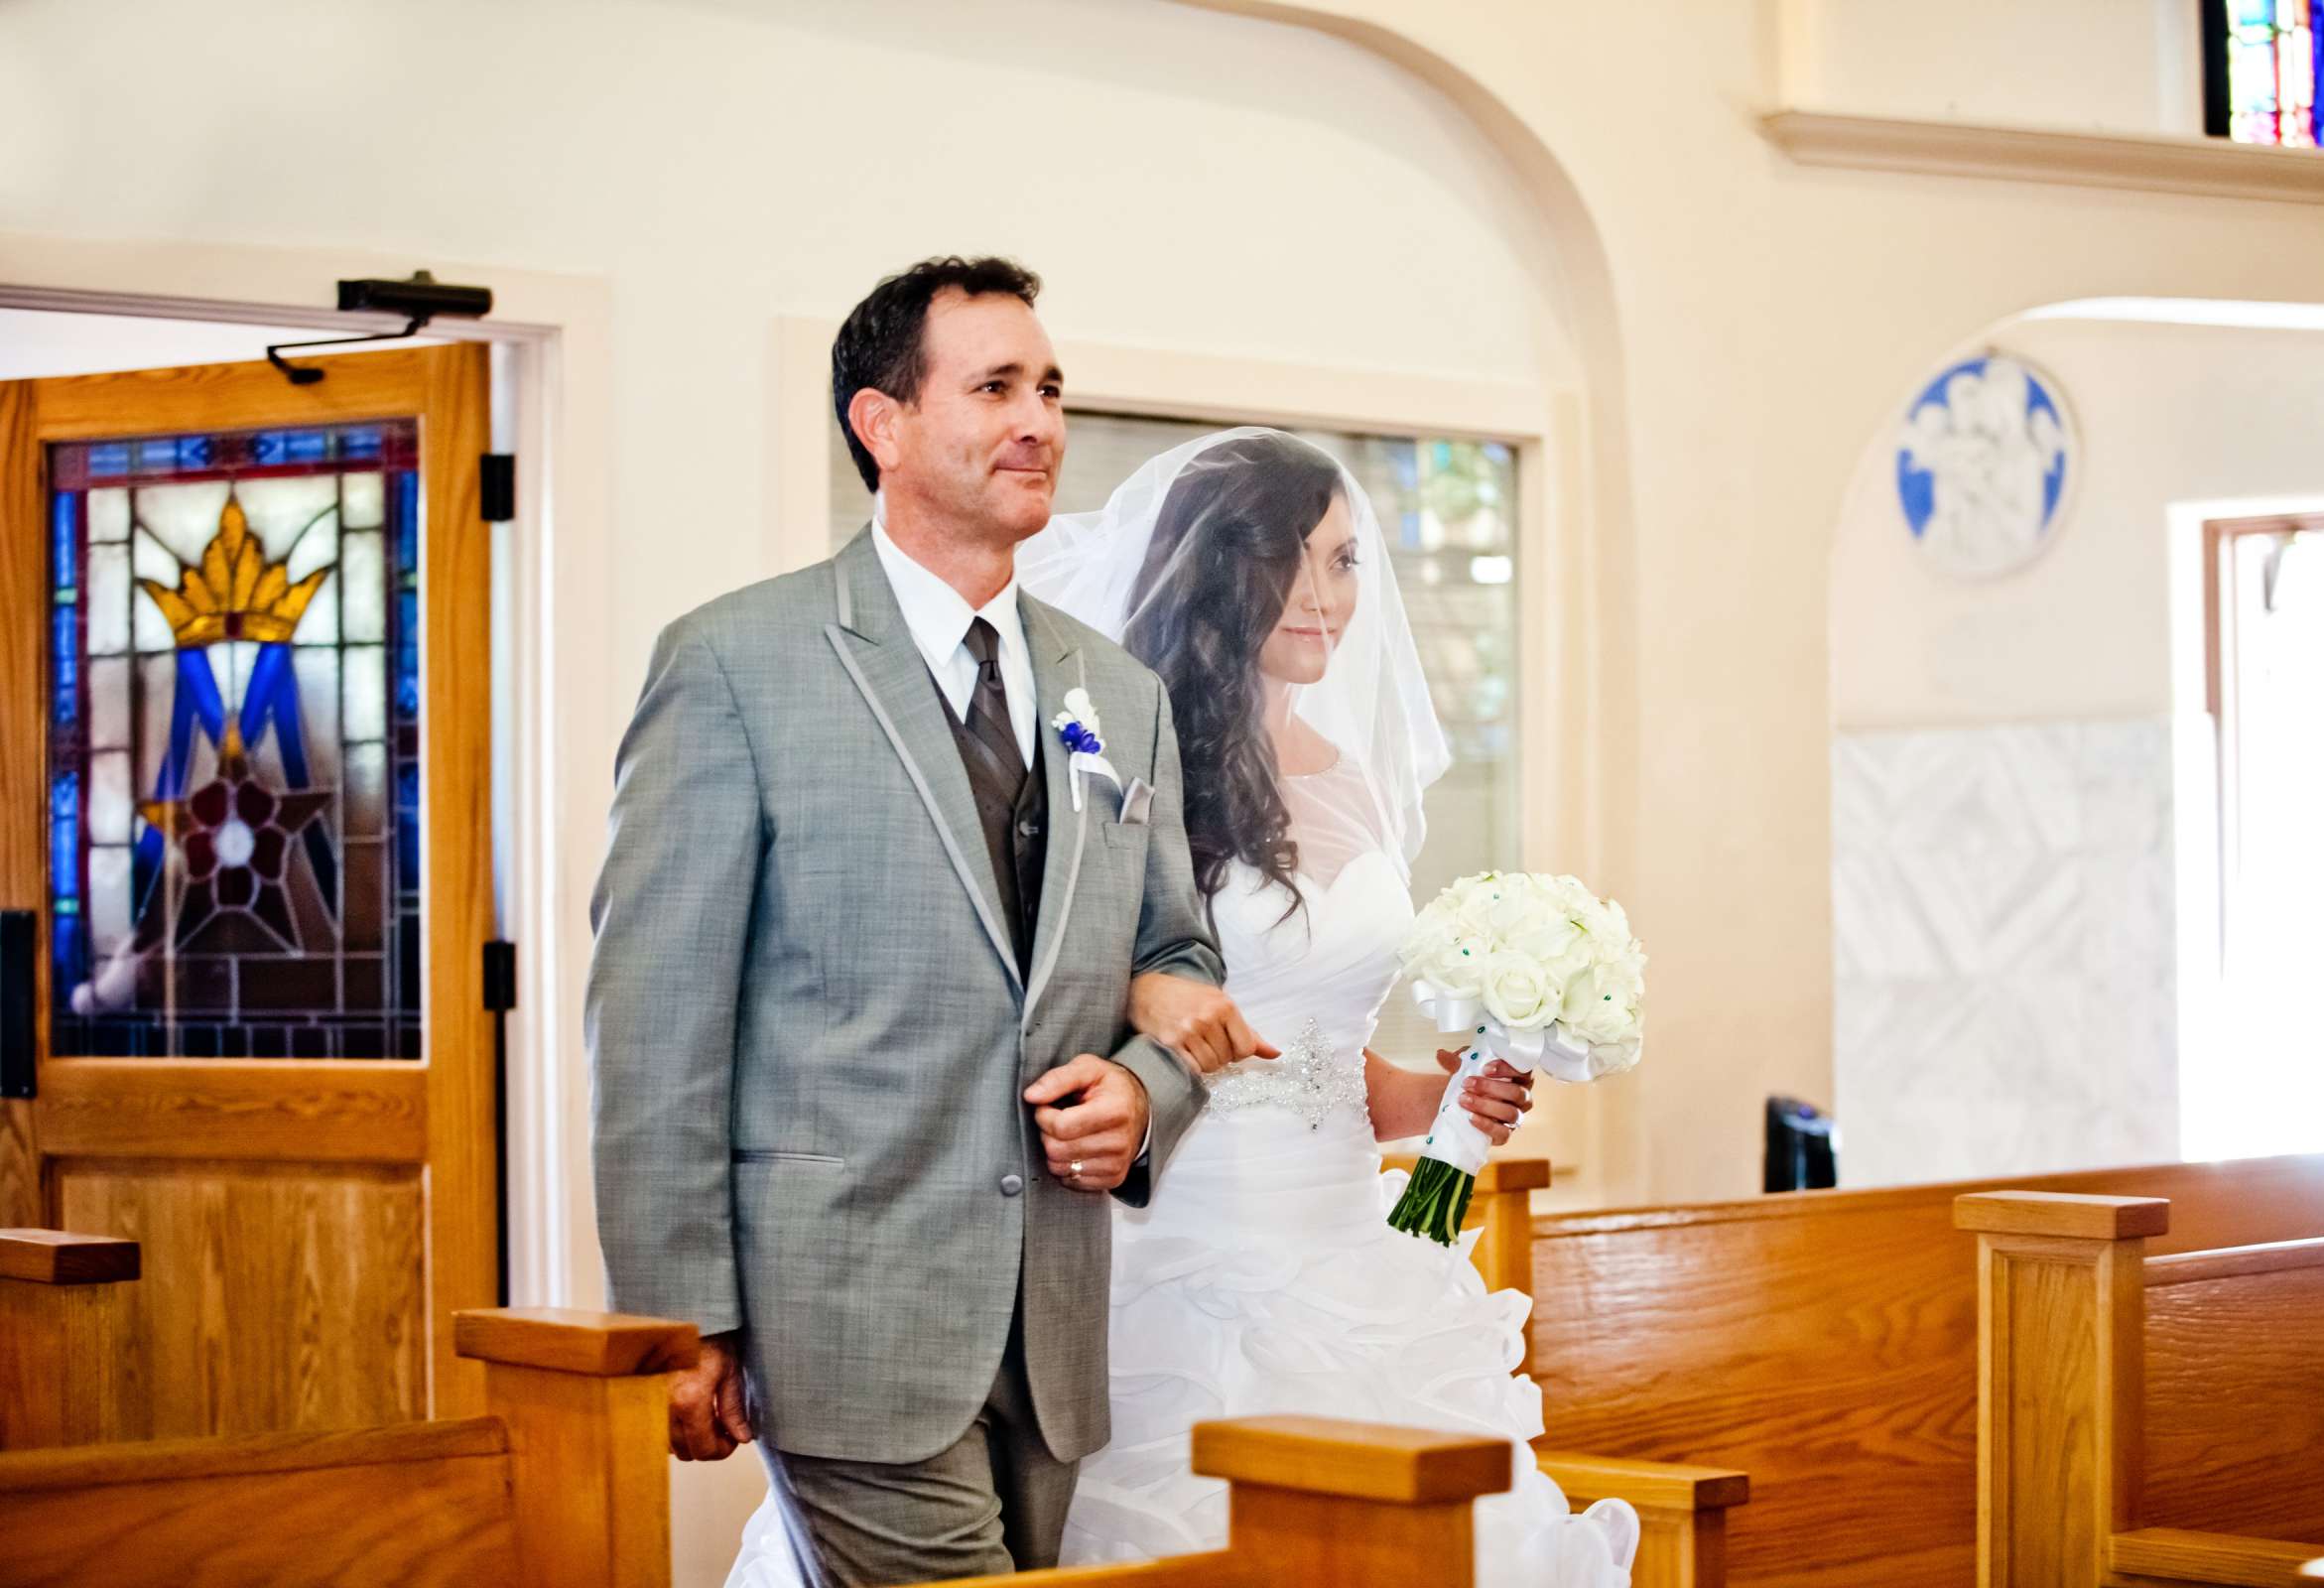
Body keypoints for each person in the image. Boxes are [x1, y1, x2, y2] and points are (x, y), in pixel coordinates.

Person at [589, 256, 1263, 1587]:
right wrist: (681, 1320)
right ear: (881, 425)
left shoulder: (1114, 693)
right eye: (996, 386)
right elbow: (659, 1023)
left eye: (1052, 387)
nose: (1041, 422)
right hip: (845, 1318)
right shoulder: (735, 664)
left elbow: (1178, 957)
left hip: (1054, 1323)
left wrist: (1143, 1096)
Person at [1028, 429, 1638, 1585]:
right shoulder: (1115, 759)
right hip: (1178, 1251)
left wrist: (1443, 1094)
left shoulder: (1351, 773)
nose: (1326, 597)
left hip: (1351, 1249)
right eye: (1291, 560)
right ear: (1214, 571)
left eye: (1347, 560)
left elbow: (1321, 1051)